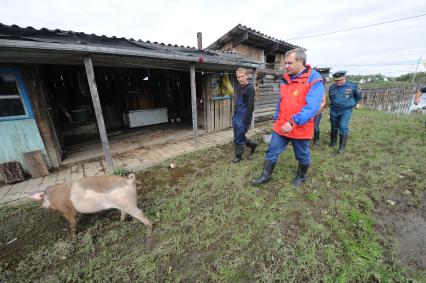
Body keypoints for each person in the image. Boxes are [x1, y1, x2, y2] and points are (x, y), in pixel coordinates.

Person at [253, 48, 325, 186]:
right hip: (281, 124)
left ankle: (301, 177)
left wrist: (293, 122)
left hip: (300, 127)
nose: (286, 66)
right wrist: (276, 116)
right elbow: (282, 99)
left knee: (302, 155)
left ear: (301, 61)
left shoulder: (314, 79)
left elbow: (312, 107)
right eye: (285, 63)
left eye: (290, 63)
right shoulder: (286, 78)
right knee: (272, 150)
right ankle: (265, 176)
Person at [328, 71, 362, 154]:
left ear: (345, 78)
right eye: (336, 81)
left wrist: (354, 103)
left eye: (341, 80)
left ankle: (341, 148)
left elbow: (358, 95)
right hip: (334, 110)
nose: (338, 82)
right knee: (334, 127)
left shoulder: (353, 85)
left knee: (343, 126)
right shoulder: (331, 88)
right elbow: (331, 98)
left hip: (346, 110)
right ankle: (333, 142)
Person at [231, 67, 257, 163]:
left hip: (244, 116)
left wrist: (246, 120)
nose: (240, 79)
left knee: (239, 136)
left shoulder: (250, 88)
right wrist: (234, 116)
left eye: (242, 76)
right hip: (237, 115)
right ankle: (252, 144)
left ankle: (238, 157)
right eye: (238, 77)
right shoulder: (239, 87)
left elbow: (251, 106)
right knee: (237, 136)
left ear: (247, 76)